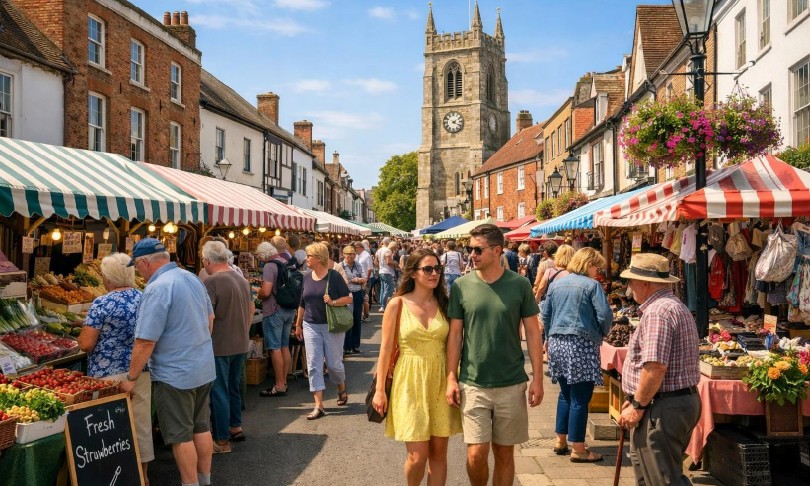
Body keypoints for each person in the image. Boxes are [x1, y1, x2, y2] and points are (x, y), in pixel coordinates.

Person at [446, 224, 544, 486]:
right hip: (473, 381)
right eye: (469, 249)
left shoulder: (520, 284)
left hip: (511, 381)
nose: (471, 254)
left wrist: (538, 378)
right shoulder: (461, 286)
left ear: (497, 250)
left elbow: (533, 332)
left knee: (504, 453)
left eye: (477, 249)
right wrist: (451, 377)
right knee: (476, 454)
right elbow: (455, 335)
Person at [120, 238, 216, 486]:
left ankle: (190, 483)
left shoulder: (157, 288)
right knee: (201, 428)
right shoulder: (191, 277)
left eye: (136, 266)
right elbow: (210, 318)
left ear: (144, 262)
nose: (138, 272)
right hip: (203, 367)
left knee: (180, 436)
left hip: (175, 374)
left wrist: (131, 378)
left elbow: (145, 341)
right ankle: (204, 480)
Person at [373, 249, 462, 485]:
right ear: (413, 273)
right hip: (409, 381)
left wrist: (452, 378)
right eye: (428, 269)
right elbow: (385, 349)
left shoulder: (445, 303)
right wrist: (380, 389)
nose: (434, 274)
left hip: (440, 378)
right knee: (417, 457)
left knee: (439, 455)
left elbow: (454, 343)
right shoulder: (397, 304)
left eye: (438, 269)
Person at [617, 253, 700, 485]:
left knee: (663, 480)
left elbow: (655, 367)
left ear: (645, 283)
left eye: (631, 281)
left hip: (663, 406)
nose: (629, 286)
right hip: (665, 403)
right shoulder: (670, 306)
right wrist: (636, 399)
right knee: (650, 476)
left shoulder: (658, 312)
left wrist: (638, 405)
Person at [79, 253, 153, 484]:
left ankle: (113, 476)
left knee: (107, 428)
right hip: (140, 370)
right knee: (140, 424)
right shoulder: (144, 298)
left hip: (107, 374)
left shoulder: (102, 303)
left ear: (109, 277)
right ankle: (142, 477)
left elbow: (86, 343)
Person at [540, 247, 613, 463]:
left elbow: (546, 314)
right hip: (581, 343)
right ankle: (579, 449)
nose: (597, 272)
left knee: (565, 393)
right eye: (596, 267)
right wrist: (602, 332)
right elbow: (605, 314)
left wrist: (549, 336)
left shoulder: (557, 284)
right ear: (588, 264)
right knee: (581, 397)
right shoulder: (591, 285)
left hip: (557, 342)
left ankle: (560, 440)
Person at [201, 241, 254, 453]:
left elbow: (208, 317)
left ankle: (222, 440)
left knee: (219, 391)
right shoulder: (241, 279)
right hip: (240, 342)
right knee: (233, 387)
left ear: (207, 260)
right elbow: (251, 310)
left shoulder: (211, 282)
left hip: (219, 344)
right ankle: (235, 426)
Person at [293, 242, 352, 420]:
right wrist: (298, 324)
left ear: (318, 258)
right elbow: (302, 303)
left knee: (333, 365)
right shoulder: (306, 277)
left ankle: (341, 386)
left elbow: (348, 298)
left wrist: (333, 302)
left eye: (309, 256)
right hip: (310, 325)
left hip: (331, 325)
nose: (306, 259)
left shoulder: (334, 276)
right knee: (313, 364)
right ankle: (318, 405)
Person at [255, 241, 296, 398]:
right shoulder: (285, 261)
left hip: (274, 310)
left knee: (274, 348)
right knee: (284, 345)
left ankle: (279, 385)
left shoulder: (269, 266)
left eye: (259, 256)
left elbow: (266, 292)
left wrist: (258, 294)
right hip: (288, 309)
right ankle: (283, 382)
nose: (259, 259)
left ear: (263, 255)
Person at [341, 244, 367, 355]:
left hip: (357, 294)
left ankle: (355, 345)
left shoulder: (358, 265)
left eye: (353, 254)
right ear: (343, 254)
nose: (351, 256)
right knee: (348, 320)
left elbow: (364, 278)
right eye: (348, 254)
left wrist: (359, 280)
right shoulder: (340, 266)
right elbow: (343, 281)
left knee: (357, 319)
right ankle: (347, 346)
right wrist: (355, 280)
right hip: (346, 295)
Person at [377, 239, 398, 311]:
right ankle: (384, 306)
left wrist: (380, 266)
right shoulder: (388, 251)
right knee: (388, 290)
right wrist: (395, 263)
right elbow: (389, 262)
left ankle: (382, 305)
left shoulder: (379, 250)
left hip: (381, 271)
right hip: (387, 272)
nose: (396, 249)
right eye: (396, 247)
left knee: (383, 289)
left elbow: (375, 261)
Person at [355, 241, 373, 321]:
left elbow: (369, 268)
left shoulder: (366, 255)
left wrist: (367, 279)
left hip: (365, 279)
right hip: (359, 279)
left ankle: (366, 315)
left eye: (355, 248)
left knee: (365, 298)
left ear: (359, 247)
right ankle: (362, 315)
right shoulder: (358, 255)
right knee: (362, 298)